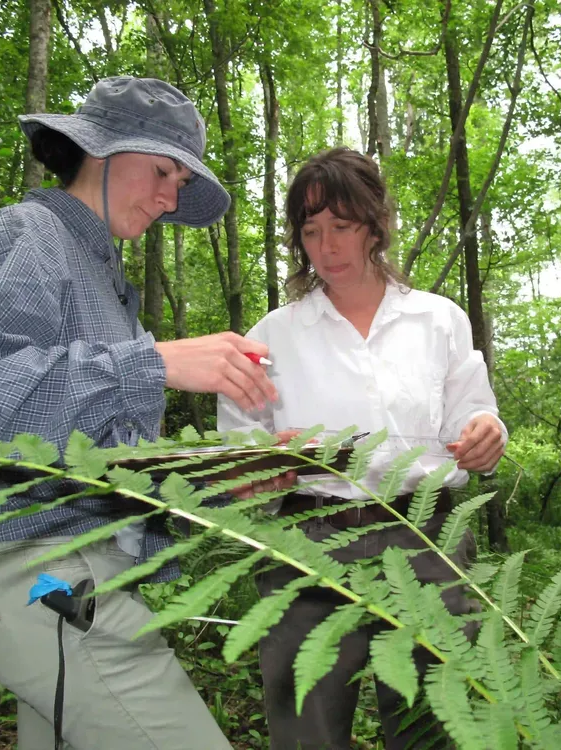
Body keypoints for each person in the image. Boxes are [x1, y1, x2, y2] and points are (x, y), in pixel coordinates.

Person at [0, 76, 277, 750]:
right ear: (104, 151)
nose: (172, 197)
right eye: (164, 171)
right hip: (43, 574)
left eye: (181, 182)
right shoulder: (23, 236)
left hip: (82, 576)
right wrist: (154, 362)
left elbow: (94, 459)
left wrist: (218, 476)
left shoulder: (106, 280)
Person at [217, 147, 508, 750]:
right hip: (309, 541)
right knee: (306, 726)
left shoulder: (439, 320)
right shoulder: (271, 337)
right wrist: (268, 462)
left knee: (439, 723)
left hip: (429, 536)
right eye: (311, 230)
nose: (327, 247)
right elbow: (236, 455)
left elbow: (473, 413)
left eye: (343, 227)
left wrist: (487, 433)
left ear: (375, 225)